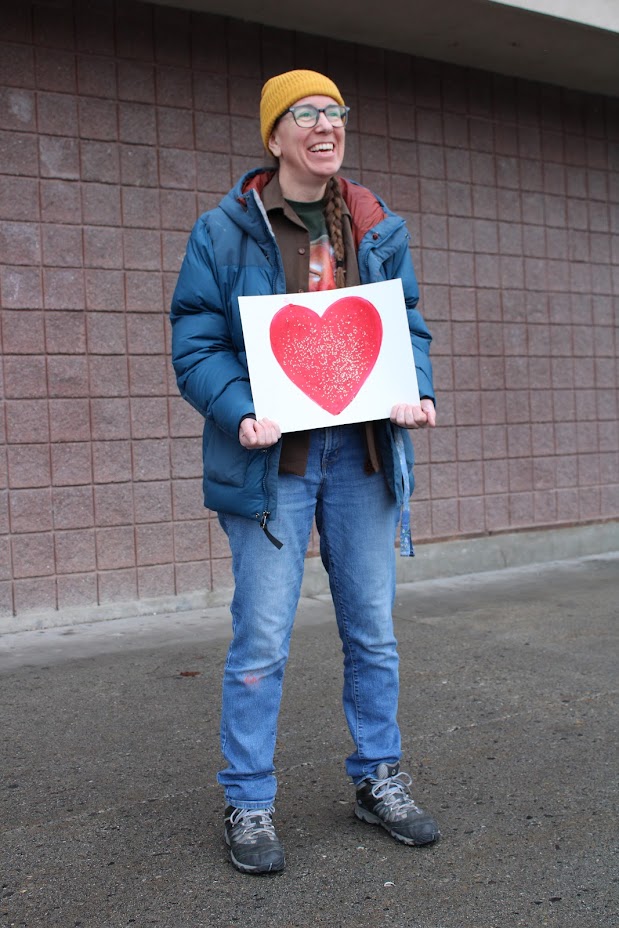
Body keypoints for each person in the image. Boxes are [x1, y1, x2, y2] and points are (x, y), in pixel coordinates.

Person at [170, 69, 439, 875]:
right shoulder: (224, 231)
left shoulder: (374, 226)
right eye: (306, 113)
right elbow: (196, 343)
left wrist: (413, 391)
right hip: (270, 464)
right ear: (274, 134)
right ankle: (248, 799)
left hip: (360, 458)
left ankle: (377, 779)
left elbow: (407, 327)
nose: (327, 124)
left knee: (374, 634)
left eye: (336, 112)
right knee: (260, 639)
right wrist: (237, 410)